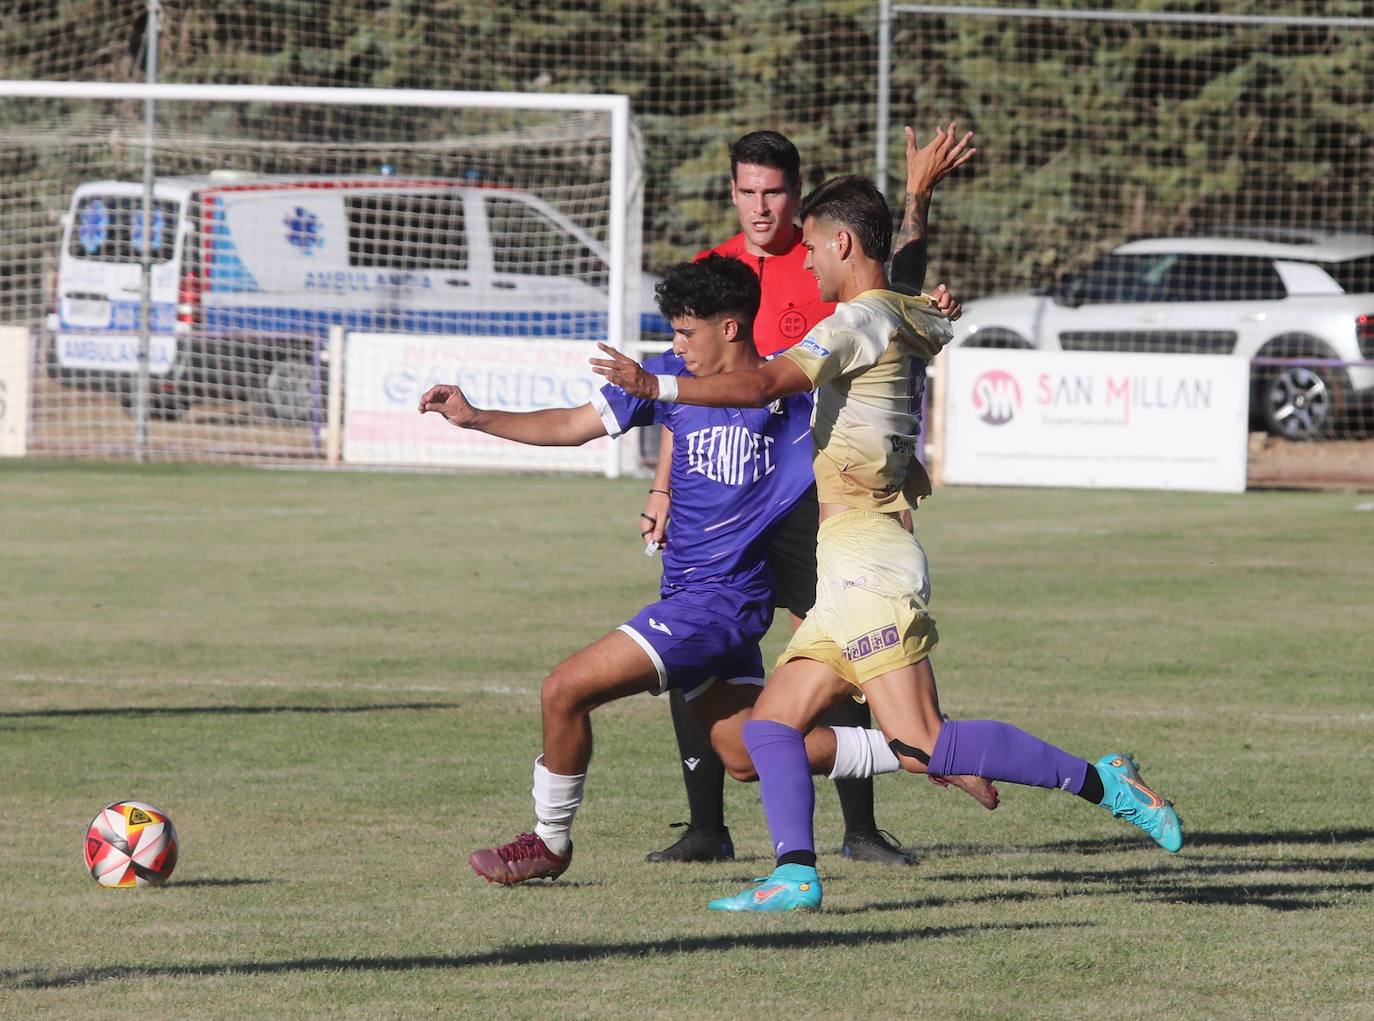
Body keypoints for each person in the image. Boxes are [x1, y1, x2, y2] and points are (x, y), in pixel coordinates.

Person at [591, 176, 1184, 913]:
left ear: (841, 243)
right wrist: (917, 198)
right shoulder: (908, 313)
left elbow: (759, 384)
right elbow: (900, 274)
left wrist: (659, 384)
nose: (804, 264)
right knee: (771, 725)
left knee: (924, 740)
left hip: (870, 559)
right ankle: (796, 874)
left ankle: (1106, 781)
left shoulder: (852, 324)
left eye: (811, 248)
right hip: (845, 561)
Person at [421, 255, 922, 886]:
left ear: (732, 328)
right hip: (690, 593)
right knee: (742, 753)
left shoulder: (791, 397)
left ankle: (549, 842)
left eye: (688, 333)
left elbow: (878, 340)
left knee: (563, 689)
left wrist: (922, 290)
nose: (676, 347)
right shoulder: (663, 377)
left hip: (718, 605)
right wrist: (476, 417)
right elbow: (574, 425)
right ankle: (917, 750)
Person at [639, 124, 975, 868]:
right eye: (747, 191)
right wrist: (664, 485)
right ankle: (706, 827)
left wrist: (917, 202)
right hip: (725, 496)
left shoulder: (824, 259)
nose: (761, 206)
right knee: (697, 639)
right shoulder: (713, 268)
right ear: (732, 192)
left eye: (775, 192)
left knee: (840, 636)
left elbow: (894, 292)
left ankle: (859, 828)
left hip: (801, 493)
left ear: (796, 197)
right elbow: (692, 395)